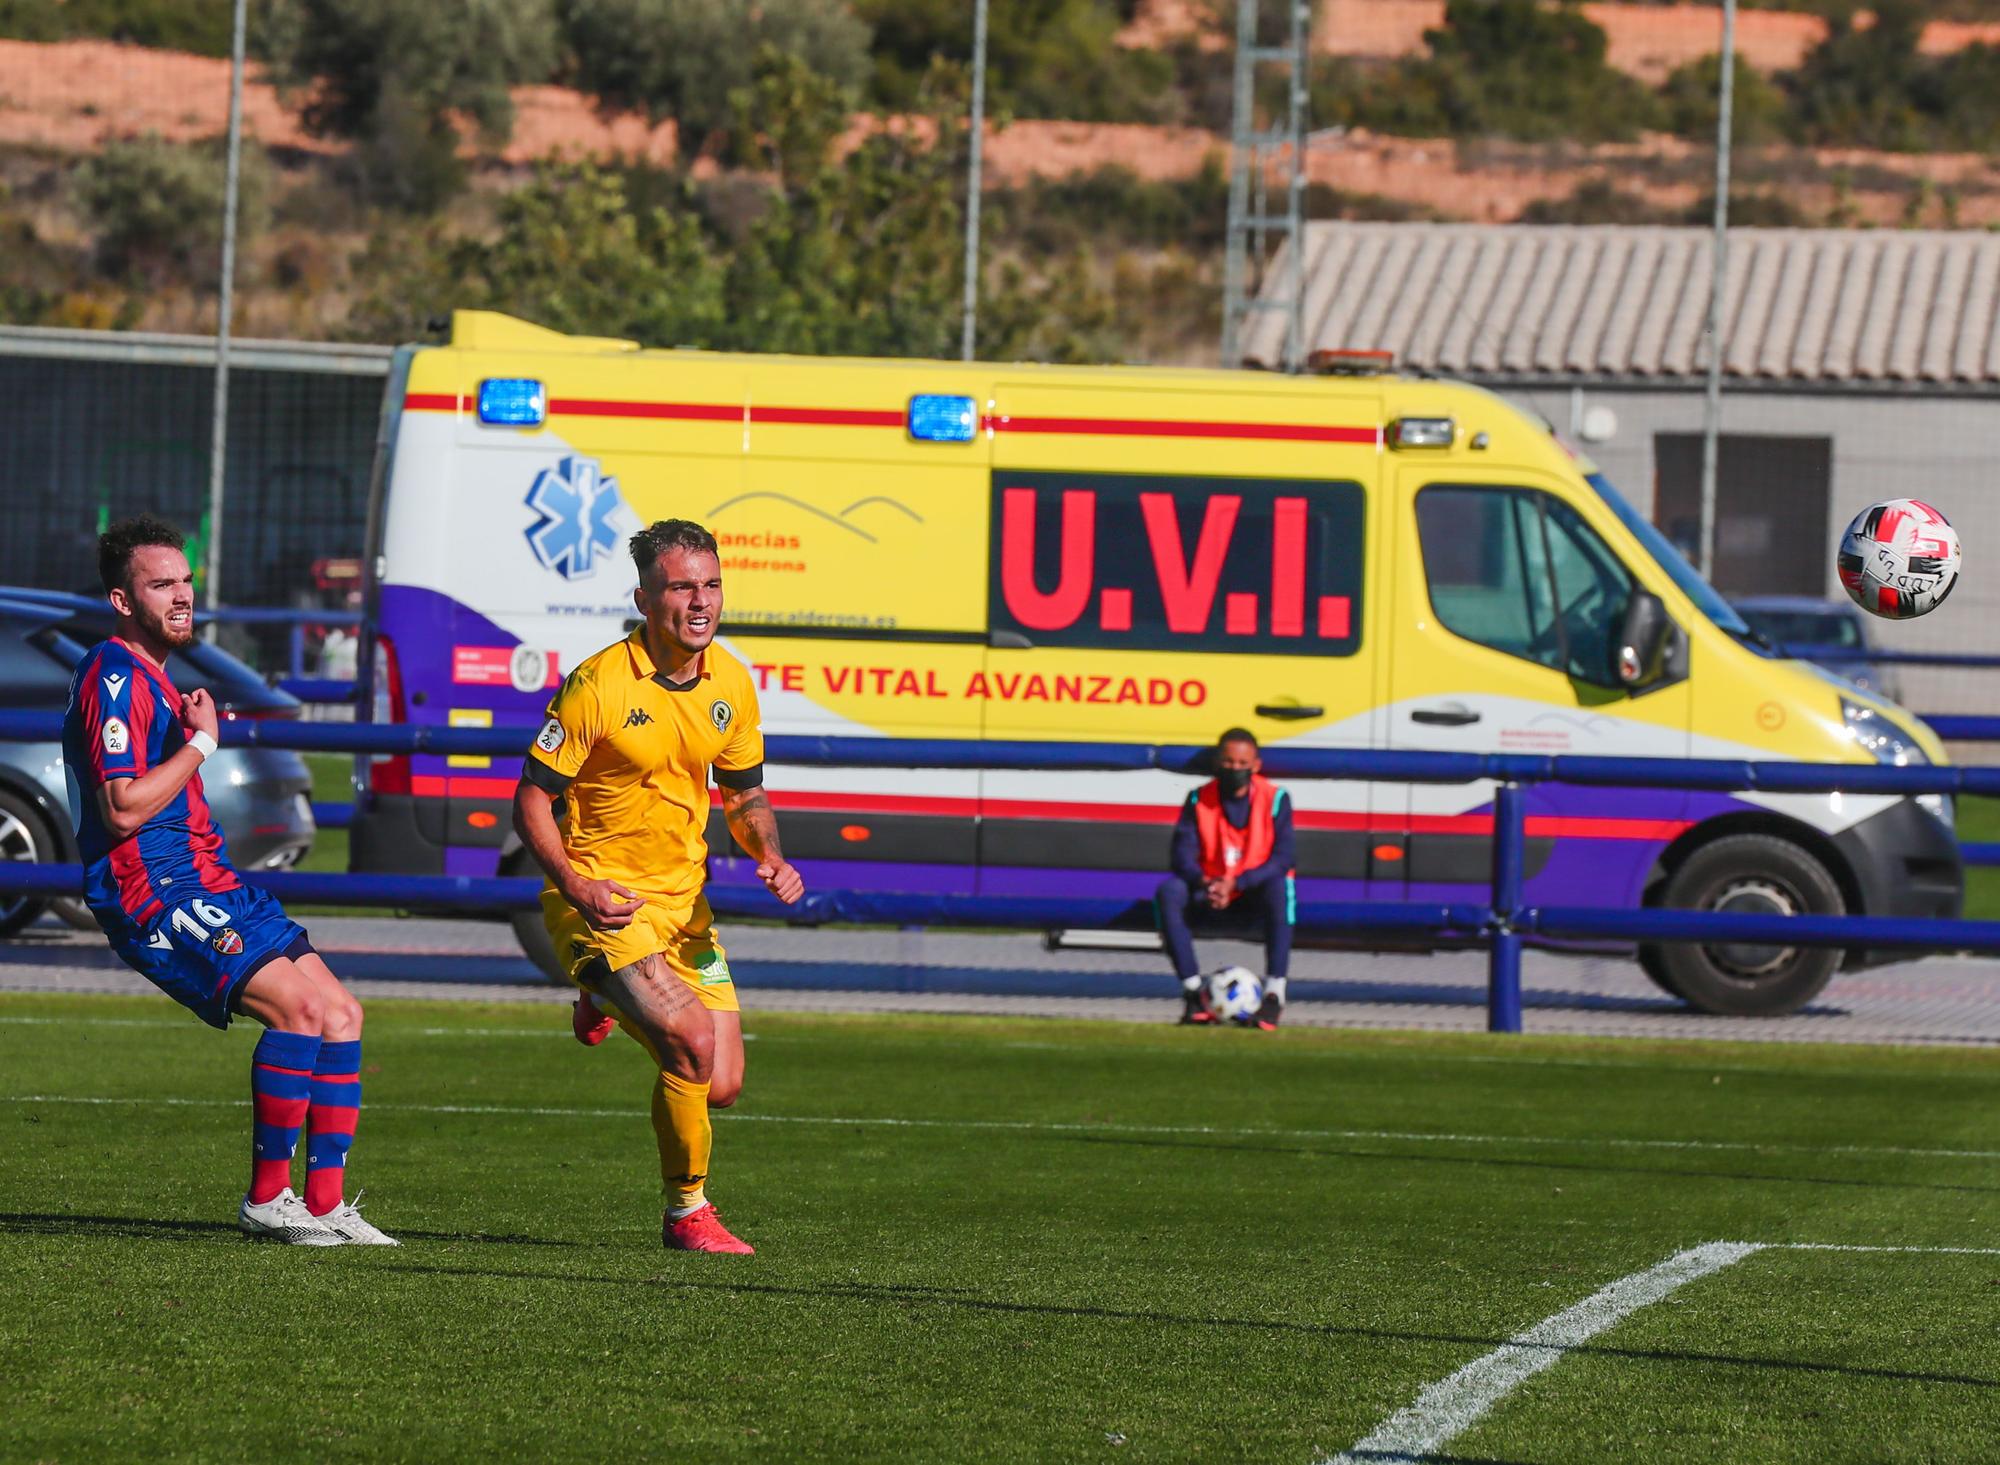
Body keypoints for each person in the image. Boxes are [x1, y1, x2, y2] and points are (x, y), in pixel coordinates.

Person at [62, 515, 393, 1245]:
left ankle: (324, 1204)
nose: (182, 596)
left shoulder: (158, 673)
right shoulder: (114, 674)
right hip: (156, 891)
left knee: (341, 1015)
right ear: (123, 600)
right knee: (298, 1013)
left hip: (211, 880)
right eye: (161, 584)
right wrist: (205, 743)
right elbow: (120, 809)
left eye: (185, 580)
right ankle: (267, 1200)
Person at [512, 518, 803, 1256]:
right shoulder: (599, 684)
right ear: (645, 598)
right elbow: (530, 799)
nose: (699, 601)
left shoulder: (731, 682)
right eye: (681, 586)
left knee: (722, 1083)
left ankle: (603, 992)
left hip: (683, 910)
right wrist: (577, 888)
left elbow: (745, 796)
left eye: (710, 585)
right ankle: (687, 1214)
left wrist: (768, 849)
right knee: (691, 1043)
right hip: (604, 903)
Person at [1155, 728, 1295, 1030]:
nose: (1235, 769)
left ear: (1255, 765)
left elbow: (1284, 858)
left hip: (1252, 890)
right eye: (1228, 763)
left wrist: (1238, 883)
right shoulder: (1198, 798)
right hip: (1210, 889)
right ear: (1218, 763)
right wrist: (1208, 882)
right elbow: (1181, 855)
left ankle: (1273, 995)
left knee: (1281, 888)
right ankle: (1193, 992)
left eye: (1242, 764)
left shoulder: (1276, 798)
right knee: (1169, 892)